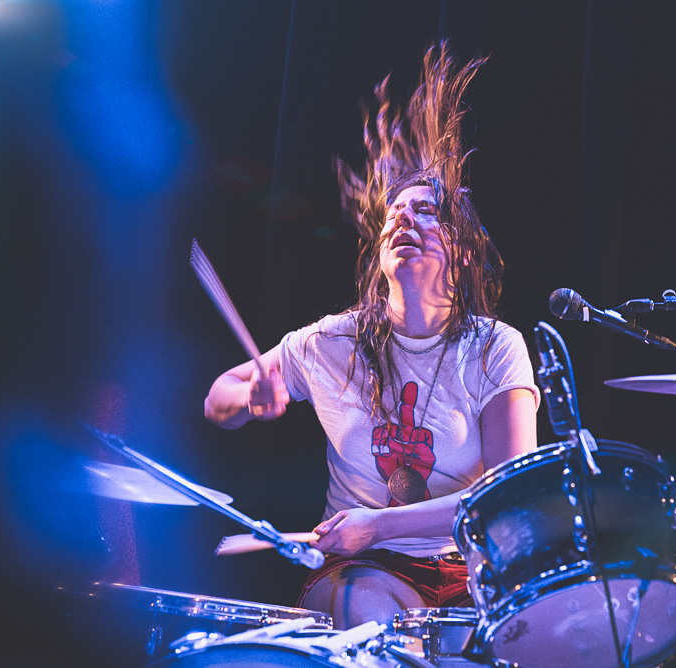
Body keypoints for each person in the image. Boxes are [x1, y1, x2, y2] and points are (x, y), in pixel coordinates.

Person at [203, 43, 539, 629]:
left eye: (428, 213)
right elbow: (216, 401)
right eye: (395, 213)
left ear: (460, 253)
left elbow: (506, 496)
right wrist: (247, 399)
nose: (404, 219)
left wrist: (378, 523)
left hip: (467, 569)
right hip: (357, 568)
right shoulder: (331, 343)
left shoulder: (494, 347)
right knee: (364, 605)